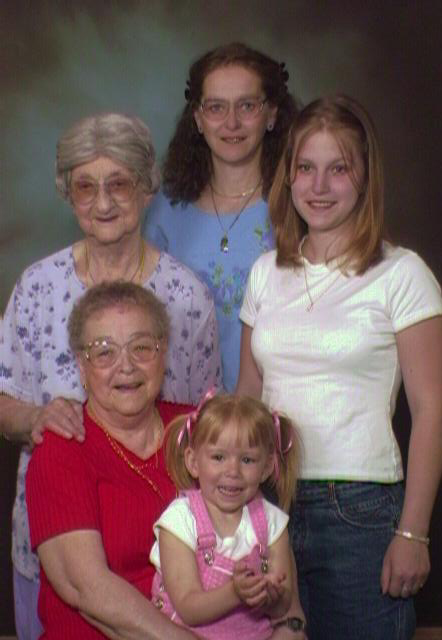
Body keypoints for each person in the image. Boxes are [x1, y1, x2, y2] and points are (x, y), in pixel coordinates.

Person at [0, 112, 221, 640]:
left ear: (147, 189)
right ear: (68, 195)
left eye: (119, 183)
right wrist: (38, 415)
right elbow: (4, 394)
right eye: (85, 186)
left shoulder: (185, 296)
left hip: (174, 560)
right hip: (57, 540)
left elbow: (202, 424)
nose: (103, 203)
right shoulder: (37, 287)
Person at [237, 96, 442, 639]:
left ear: (365, 176)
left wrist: (414, 533)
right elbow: (248, 397)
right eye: (306, 168)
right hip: (269, 499)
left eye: (339, 169)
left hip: (359, 509)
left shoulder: (402, 274)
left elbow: (432, 410)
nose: (320, 186)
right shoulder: (265, 274)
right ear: (288, 177)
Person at [26, 281, 202, 638]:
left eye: (141, 348)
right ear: (81, 365)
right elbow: (87, 588)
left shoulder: (198, 428)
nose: (126, 367)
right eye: (104, 352)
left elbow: (260, 529)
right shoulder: (61, 450)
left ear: (163, 352)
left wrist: (287, 621)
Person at [144, 42, 298, 391]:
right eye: (216, 107)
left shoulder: (301, 203)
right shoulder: (164, 211)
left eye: (247, 105)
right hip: (185, 413)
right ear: (198, 118)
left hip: (279, 413)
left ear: (271, 114)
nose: (232, 122)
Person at [150, 393, 301, 639]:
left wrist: (271, 595)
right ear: (193, 461)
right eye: (218, 457)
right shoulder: (180, 519)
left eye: (247, 460)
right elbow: (189, 607)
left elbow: (282, 608)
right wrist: (235, 592)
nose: (232, 471)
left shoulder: (272, 523)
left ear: (266, 467)